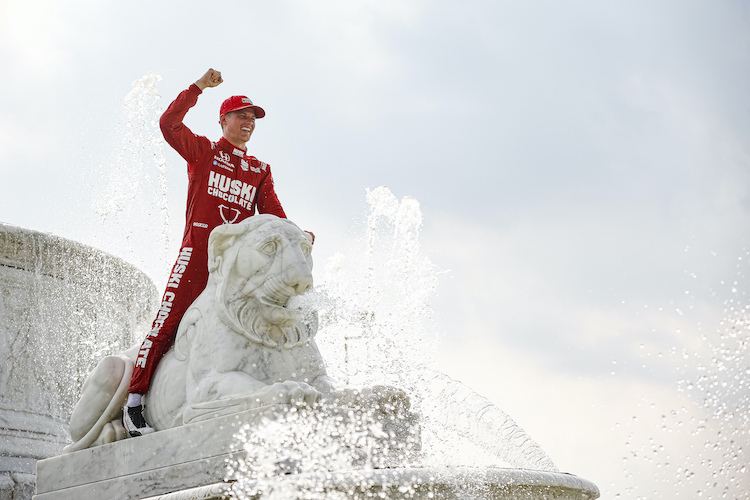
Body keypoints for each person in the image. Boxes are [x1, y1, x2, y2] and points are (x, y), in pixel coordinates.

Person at [122, 68, 310, 436]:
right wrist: (197, 88)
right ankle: (134, 404)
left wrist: (299, 236)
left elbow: (273, 216)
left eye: (253, 117)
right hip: (196, 258)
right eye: (242, 115)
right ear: (223, 120)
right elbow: (169, 124)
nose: (249, 122)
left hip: (234, 270)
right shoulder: (205, 151)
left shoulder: (259, 170)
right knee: (166, 324)